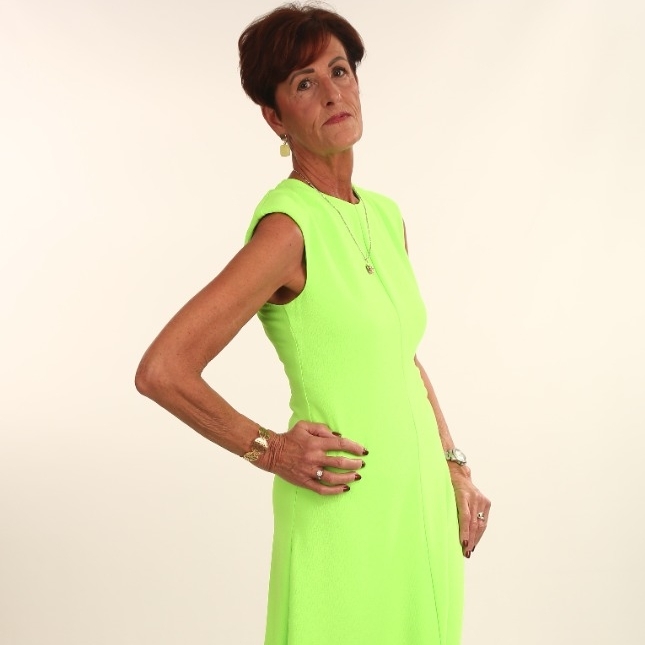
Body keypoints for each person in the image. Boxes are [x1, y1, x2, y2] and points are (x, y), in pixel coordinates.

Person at [135, 4, 491, 644]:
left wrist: (454, 466)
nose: (332, 92)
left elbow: (400, 355)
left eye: (340, 70)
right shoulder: (287, 229)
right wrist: (270, 449)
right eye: (304, 82)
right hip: (344, 512)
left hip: (419, 510)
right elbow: (163, 370)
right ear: (275, 117)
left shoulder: (385, 215)